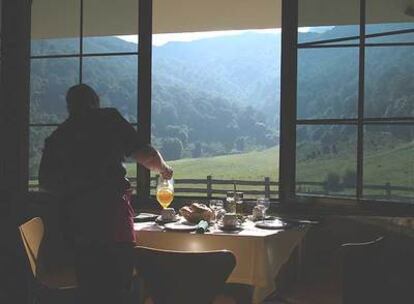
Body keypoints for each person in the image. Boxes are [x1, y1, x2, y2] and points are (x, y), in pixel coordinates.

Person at [39, 84, 173, 304]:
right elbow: (145, 154)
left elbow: (45, 181)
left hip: (76, 223)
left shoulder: (57, 137)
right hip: (112, 216)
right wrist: (164, 168)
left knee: (90, 285)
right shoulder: (108, 119)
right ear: (94, 102)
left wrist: (74, 189)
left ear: (69, 107)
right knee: (119, 284)